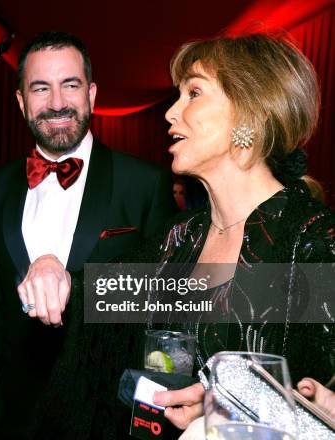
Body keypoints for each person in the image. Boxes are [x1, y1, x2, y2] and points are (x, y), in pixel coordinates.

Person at [22, 33, 335, 439]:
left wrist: (234, 413)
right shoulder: (180, 237)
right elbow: (97, 305)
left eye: (194, 93)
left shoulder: (313, 242)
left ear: (248, 113)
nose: (171, 113)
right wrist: (52, 269)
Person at [0, 31, 175, 439]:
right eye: (41, 89)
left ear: (92, 94)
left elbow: (163, 304)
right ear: (22, 101)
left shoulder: (144, 183)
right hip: (16, 418)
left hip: (108, 417)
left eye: (71, 85)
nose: (57, 103)